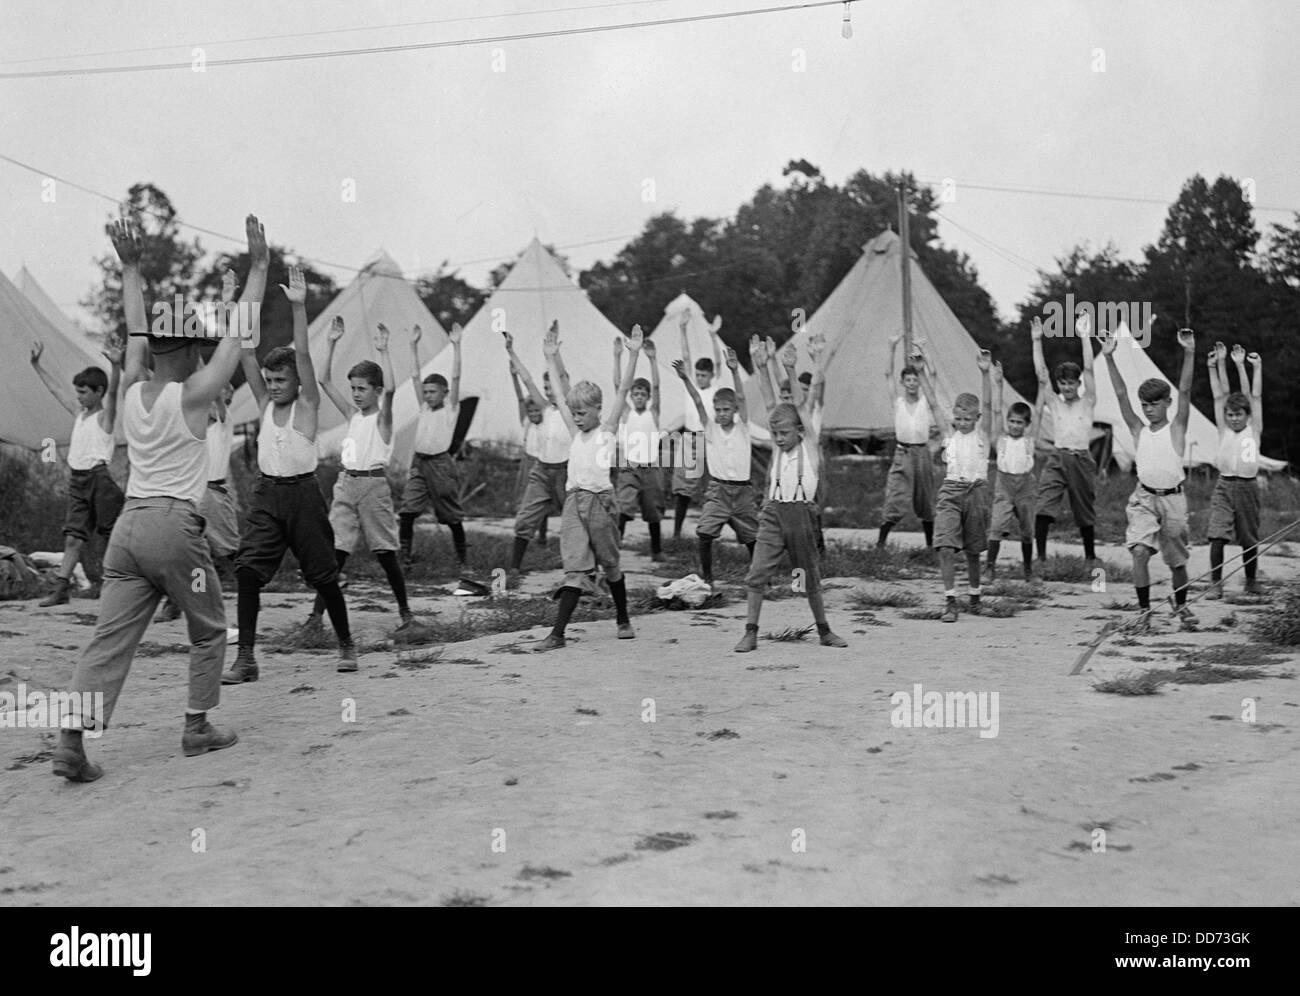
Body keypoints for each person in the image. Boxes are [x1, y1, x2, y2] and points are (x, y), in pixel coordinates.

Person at [52, 216, 265, 782]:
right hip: (174, 529)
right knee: (211, 627)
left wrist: (130, 267)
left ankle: (72, 738)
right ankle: (197, 727)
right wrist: (259, 267)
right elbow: (237, 335)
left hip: (127, 532)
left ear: (151, 347)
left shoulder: (131, 390)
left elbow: (136, 330)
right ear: (193, 347)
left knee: (109, 637)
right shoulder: (195, 394)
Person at [224, 265, 355, 682]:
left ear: (297, 381)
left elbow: (302, 354)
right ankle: (245, 657)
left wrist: (299, 308)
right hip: (267, 497)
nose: (274, 385)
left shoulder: (307, 404)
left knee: (323, 575)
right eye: (270, 379)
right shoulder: (265, 405)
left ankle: (346, 644)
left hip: (303, 497)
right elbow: (243, 351)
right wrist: (231, 305)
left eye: (281, 379)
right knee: (246, 571)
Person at [532, 323, 641, 652]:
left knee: (610, 565)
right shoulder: (574, 430)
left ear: (597, 410)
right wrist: (552, 357)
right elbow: (563, 398)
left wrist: (633, 354)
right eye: (574, 413)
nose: (577, 418)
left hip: (601, 505)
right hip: (573, 504)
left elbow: (622, 391)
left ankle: (622, 618)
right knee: (574, 570)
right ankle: (558, 634)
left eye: (583, 413)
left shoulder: (607, 432)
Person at [299, 317, 412, 632]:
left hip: (374, 486)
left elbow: (390, 388)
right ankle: (316, 617)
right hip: (346, 484)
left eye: (362, 389)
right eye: (354, 388)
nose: (356, 394)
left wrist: (384, 349)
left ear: (375, 391)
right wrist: (332, 342)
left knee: (385, 552)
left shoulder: (383, 420)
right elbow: (323, 380)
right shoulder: (352, 415)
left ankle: (405, 613)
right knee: (334, 553)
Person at [734, 341, 844, 654]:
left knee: (808, 579)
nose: (779, 439)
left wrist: (792, 368)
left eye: (784, 434)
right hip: (772, 513)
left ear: (799, 430)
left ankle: (824, 630)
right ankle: (750, 632)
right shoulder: (779, 435)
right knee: (756, 575)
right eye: (775, 434)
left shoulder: (809, 443)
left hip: (801, 517)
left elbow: (798, 403)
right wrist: (761, 364)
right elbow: (771, 402)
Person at [1101, 326, 1198, 629]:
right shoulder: (1138, 430)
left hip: (1173, 500)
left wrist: (1190, 351)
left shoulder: (1177, 428)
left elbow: (1184, 391)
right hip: (1144, 497)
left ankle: (1181, 606)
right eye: (1145, 404)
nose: (1148, 409)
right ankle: (1144, 612)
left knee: (1177, 562)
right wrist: (1109, 357)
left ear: (1166, 403)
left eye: (1154, 403)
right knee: (1140, 552)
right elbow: (1120, 394)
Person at [29, 340, 125, 606]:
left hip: (100, 480)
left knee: (110, 536)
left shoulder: (105, 417)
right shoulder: (79, 414)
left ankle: (112, 586)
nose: (79, 396)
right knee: (73, 537)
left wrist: (116, 365)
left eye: (84, 392)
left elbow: (115, 392)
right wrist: (38, 366)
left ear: (98, 392)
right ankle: (61, 589)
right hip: (78, 480)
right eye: (78, 392)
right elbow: (57, 390)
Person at [675, 347, 755, 586]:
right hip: (718, 491)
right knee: (704, 534)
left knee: (752, 537)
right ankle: (708, 578)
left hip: (742, 492)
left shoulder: (743, 427)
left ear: (734, 411)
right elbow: (698, 400)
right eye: (718, 410)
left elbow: (740, 397)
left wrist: (734, 371)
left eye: (726, 410)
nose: (721, 414)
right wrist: (685, 378)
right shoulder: (710, 429)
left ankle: (760, 576)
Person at [929, 352, 994, 622]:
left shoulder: (983, 435)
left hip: (977, 492)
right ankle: (950, 601)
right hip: (951, 491)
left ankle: (975, 599)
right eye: (958, 418)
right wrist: (922, 370)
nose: (962, 423)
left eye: (968, 419)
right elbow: (932, 401)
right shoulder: (949, 434)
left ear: (976, 417)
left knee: (973, 550)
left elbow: (990, 404)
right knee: (945, 546)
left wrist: (985, 373)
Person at [399, 323, 468, 567]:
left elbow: (457, 375)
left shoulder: (451, 408)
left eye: (433, 392)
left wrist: (457, 345)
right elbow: (415, 376)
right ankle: (405, 556)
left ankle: (462, 558)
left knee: (450, 515)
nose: (428, 395)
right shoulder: (424, 407)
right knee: (407, 510)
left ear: (445, 393)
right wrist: (413, 345)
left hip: (440, 464)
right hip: (420, 463)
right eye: (426, 392)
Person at [1032, 313, 1099, 565]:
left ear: (1078, 384)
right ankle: (1040, 556)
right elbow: (1041, 374)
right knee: (1044, 505)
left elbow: (1090, 368)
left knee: (1084, 509)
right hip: (1057, 457)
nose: (1067, 388)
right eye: (1063, 383)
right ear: (1059, 384)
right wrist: (1037, 341)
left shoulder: (1088, 401)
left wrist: (1084, 336)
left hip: (1081, 458)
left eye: (1072, 383)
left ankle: (1090, 556)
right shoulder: (1054, 402)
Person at [507, 329, 570, 576]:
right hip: (542, 471)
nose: (547, 390)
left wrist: (554, 356)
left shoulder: (569, 410)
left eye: (550, 385)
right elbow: (527, 380)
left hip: (566, 472)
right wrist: (511, 352)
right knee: (524, 519)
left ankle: (580, 565)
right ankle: (514, 567)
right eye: (545, 386)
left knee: (575, 521)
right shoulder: (544, 410)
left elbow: (562, 377)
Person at [1205, 342, 1264, 598]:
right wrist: (1215, 365)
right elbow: (1219, 395)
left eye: (1239, 414)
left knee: (1249, 538)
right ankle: (1215, 583)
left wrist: (1246, 366)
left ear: (1247, 415)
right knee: (1217, 535)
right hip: (1224, 485)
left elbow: (1255, 397)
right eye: (1230, 415)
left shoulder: (1254, 429)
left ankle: (1250, 581)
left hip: (1248, 487)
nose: (1234, 418)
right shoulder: (1224, 429)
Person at [877, 333, 936, 549]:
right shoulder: (898, 402)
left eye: (915, 380)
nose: (912, 383)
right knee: (895, 494)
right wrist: (892, 347)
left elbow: (934, 374)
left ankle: (930, 546)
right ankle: (881, 543)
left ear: (920, 382)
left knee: (925, 498)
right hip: (902, 453)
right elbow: (887, 374)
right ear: (903, 382)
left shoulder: (925, 403)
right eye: (908, 380)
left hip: (922, 454)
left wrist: (923, 350)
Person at [985, 361, 1042, 582]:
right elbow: (997, 409)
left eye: (1019, 422)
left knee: (1027, 530)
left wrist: (1042, 385)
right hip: (1004, 485)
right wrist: (998, 382)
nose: (1014, 426)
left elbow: (1038, 409)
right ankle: (989, 567)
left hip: (1025, 486)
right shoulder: (1000, 439)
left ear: (1026, 424)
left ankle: (1028, 570)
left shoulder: (1030, 440)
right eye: (1012, 421)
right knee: (997, 525)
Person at [671, 312, 726, 539]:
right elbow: (685, 355)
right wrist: (682, 329)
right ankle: (675, 532)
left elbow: (720, 362)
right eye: (699, 375)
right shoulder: (689, 385)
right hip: (688, 439)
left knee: (712, 487)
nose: (701, 378)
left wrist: (713, 336)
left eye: (704, 375)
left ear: (712, 375)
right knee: (683, 489)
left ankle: (710, 530)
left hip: (709, 439)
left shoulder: (715, 388)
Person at [613, 334, 665, 561]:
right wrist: (616, 357)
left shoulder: (654, 413)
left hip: (650, 470)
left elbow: (656, 385)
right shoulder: (627, 412)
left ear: (648, 397)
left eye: (643, 394)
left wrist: (653, 360)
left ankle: (657, 551)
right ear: (632, 396)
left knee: (653, 512)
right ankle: (614, 547)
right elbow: (618, 386)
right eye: (636, 394)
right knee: (623, 508)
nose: (639, 397)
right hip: (629, 469)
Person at [509, 358, 548, 546]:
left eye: (535, 411)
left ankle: (542, 535)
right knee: (526, 500)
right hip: (528, 462)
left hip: (543, 463)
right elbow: (519, 398)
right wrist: (513, 376)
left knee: (543, 501)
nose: (533, 415)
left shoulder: (546, 423)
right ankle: (527, 533)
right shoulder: (526, 422)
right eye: (530, 412)